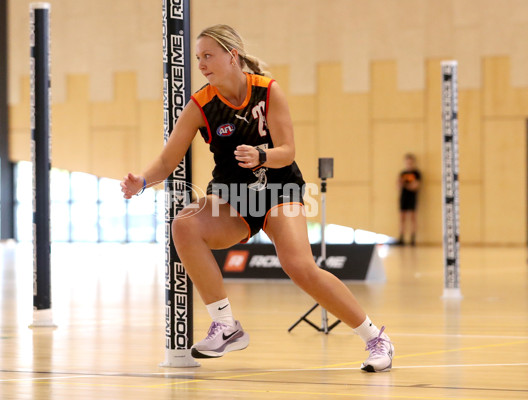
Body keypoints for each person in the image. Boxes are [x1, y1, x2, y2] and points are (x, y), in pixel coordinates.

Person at [121, 24, 394, 372]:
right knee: (185, 225)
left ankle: (376, 338)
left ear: (232, 56)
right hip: (234, 196)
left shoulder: (268, 91)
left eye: (209, 56)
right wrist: (141, 180)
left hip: (280, 189)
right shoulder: (200, 104)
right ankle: (226, 326)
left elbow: (288, 150)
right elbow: (166, 160)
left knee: (299, 266)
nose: (202, 64)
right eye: (198, 58)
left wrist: (261, 157)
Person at [397, 154, 421, 246]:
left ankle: (413, 238)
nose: (409, 164)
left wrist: (405, 184)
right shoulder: (402, 173)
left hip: (412, 197)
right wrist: (401, 183)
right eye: (407, 162)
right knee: (402, 218)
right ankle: (401, 237)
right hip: (404, 197)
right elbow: (398, 186)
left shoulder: (416, 174)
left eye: (410, 162)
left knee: (412, 218)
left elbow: (415, 186)